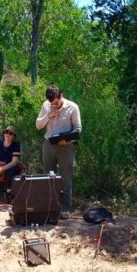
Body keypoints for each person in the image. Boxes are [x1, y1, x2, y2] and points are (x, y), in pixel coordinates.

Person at [35, 85, 82, 219]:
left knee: (66, 177)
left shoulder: (73, 107)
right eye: (52, 103)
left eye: (56, 103)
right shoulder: (46, 105)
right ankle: (50, 206)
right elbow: (38, 125)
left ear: (61, 96)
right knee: (48, 176)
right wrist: (48, 116)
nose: (54, 105)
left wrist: (68, 140)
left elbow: (78, 129)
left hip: (66, 146)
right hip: (49, 144)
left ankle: (65, 207)